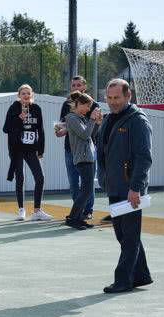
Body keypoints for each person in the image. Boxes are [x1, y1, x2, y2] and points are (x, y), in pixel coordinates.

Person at [97, 79, 153, 294]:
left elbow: (144, 157)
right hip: (114, 186)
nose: (112, 102)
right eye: (109, 98)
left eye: (117, 98)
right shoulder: (109, 119)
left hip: (130, 188)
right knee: (124, 235)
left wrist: (136, 187)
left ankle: (123, 280)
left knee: (128, 236)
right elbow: (104, 148)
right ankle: (140, 275)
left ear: (128, 97)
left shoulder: (137, 121)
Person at [3, 84, 51, 222]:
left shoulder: (36, 109)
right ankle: (21, 210)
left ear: (32, 95)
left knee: (40, 177)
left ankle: (37, 211)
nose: (25, 96)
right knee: (20, 178)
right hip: (17, 149)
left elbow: (40, 130)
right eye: (23, 93)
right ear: (19, 95)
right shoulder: (13, 108)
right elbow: (5, 128)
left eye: (28, 93)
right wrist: (19, 118)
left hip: (31, 149)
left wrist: (41, 149)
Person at [56, 75, 101, 221]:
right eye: (73, 85)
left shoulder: (92, 105)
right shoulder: (69, 109)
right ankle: (76, 214)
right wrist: (62, 130)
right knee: (75, 183)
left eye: (78, 85)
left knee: (87, 185)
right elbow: (69, 125)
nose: (75, 88)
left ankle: (86, 211)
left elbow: (90, 132)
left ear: (84, 87)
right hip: (73, 149)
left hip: (88, 151)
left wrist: (96, 122)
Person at [64, 91, 102, 230]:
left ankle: (78, 217)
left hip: (89, 157)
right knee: (86, 190)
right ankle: (73, 218)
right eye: (87, 106)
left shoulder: (81, 118)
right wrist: (92, 119)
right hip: (82, 158)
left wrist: (96, 123)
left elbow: (91, 135)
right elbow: (85, 135)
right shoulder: (72, 118)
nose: (89, 109)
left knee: (87, 189)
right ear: (78, 104)